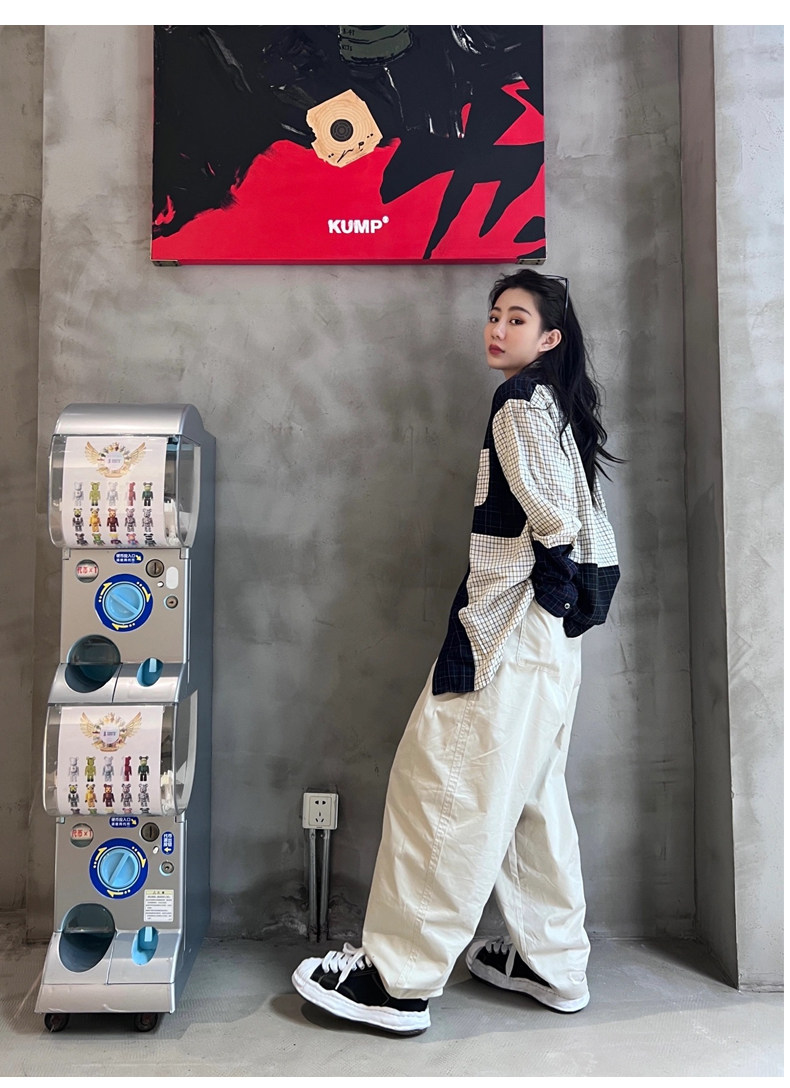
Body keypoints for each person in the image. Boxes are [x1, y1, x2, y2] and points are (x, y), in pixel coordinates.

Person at [292, 269, 621, 1035]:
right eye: (494, 314)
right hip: (548, 641)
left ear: (550, 338)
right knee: (529, 796)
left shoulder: (519, 403)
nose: (497, 328)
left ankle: (396, 982)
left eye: (517, 318)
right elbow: (581, 525)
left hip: (512, 626)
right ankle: (551, 963)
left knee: (443, 785)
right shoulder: (556, 405)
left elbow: (556, 525)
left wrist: (543, 597)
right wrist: (565, 604)